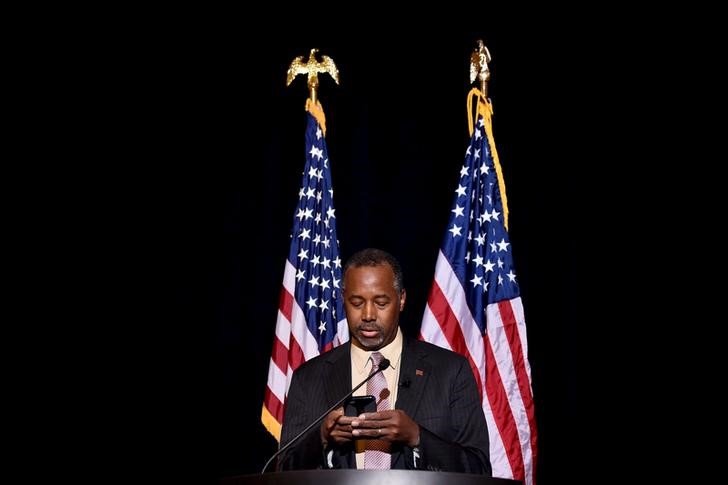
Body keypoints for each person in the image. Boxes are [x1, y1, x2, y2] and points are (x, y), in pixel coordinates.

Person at [278, 248, 491, 474]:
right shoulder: (309, 377)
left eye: (381, 303)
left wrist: (416, 437)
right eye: (357, 303)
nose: (368, 315)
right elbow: (283, 471)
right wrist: (322, 437)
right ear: (343, 300)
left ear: (401, 300)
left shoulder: (450, 370)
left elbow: (478, 468)